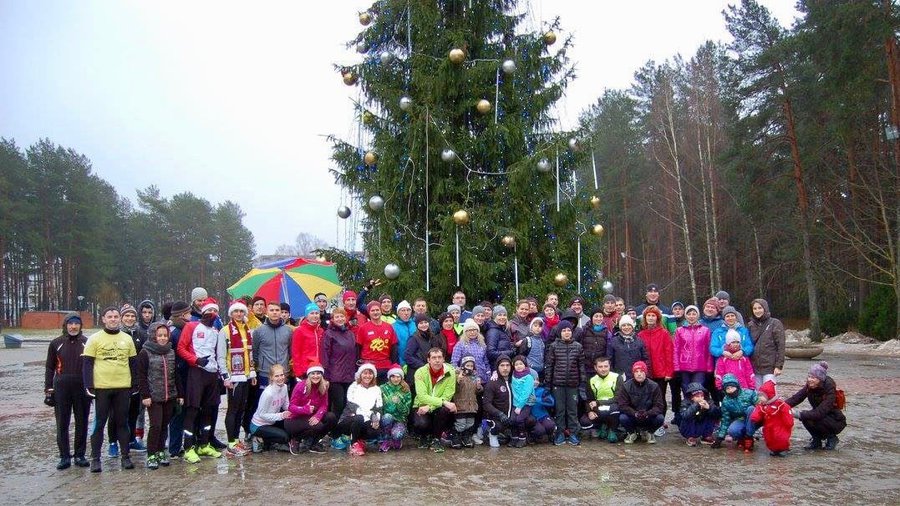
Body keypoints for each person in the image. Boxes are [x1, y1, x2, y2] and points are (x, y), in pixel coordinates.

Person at [83, 306, 137, 472]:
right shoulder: (95, 339)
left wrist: (135, 384)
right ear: (104, 319)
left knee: (122, 423)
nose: (113, 319)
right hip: (102, 388)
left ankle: (125, 456)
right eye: (110, 317)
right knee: (99, 423)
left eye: (115, 317)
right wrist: (88, 385)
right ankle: (95, 459)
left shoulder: (127, 339)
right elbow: (87, 363)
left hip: (122, 387)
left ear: (119, 319)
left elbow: (133, 363)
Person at [176, 298, 226, 463]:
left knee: (208, 410)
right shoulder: (191, 326)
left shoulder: (216, 331)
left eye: (216, 312)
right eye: (210, 311)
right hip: (196, 372)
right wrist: (195, 360)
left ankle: (204, 444)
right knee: (192, 410)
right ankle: (189, 447)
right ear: (204, 312)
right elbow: (181, 348)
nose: (213, 314)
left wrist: (222, 373)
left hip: (212, 374)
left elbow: (219, 354)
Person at [45, 313, 90, 469]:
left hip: (82, 387)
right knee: (62, 423)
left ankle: (80, 455)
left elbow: (92, 367)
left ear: (80, 326)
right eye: (70, 324)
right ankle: (64, 456)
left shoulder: (87, 343)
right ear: (65, 325)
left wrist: (92, 387)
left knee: (82, 421)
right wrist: (48, 389)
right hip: (61, 387)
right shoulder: (56, 343)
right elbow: (50, 367)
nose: (73, 326)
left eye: (76, 324)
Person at [137, 322, 183, 469]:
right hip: (153, 396)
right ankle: (151, 454)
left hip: (169, 395)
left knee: (164, 425)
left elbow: (176, 375)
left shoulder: (170, 352)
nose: (162, 338)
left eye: (165, 335)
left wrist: (180, 394)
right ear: (153, 336)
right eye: (159, 335)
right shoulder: (145, 352)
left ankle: (160, 451)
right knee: (155, 425)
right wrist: (145, 395)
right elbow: (141, 375)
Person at [220, 301, 256, 457]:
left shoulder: (248, 330)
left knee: (241, 409)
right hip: (233, 376)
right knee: (233, 410)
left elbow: (250, 354)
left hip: (246, 375)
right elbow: (221, 355)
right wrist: (225, 376)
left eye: (242, 312)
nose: (239, 314)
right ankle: (231, 443)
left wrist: (252, 373)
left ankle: (236, 438)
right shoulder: (226, 331)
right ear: (231, 314)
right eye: (236, 312)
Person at [786, 361, 846, 450]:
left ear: (820, 379)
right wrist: (780, 406)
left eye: (813, 377)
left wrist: (797, 414)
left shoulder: (829, 389)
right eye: (809, 376)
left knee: (808, 415)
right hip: (820, 416)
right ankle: (816, 440)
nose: (810, 379)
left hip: (834, 420)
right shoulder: (809, 386)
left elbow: (820, 412)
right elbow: (797, 398)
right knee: (807, 417)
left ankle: (832, 438)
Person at [545, 321, 585, 446]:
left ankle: (573, 433)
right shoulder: (554, 346)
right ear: (559, 332)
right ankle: (560, 433)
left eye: (569, 330)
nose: (567, 333)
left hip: (573, 384)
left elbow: (581, 367)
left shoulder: (578, 346)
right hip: (558, 384)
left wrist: (582, 383)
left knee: (572, 411)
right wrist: (548, 384)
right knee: (560, 410)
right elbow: (550, 366)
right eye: (564, 330)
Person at [637, 305, 674, 436]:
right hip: (646, 373)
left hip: (661, 372)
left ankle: (660, 423)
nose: (651, 318)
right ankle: (646, 423)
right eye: (649, 316)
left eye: (653, 316)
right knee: (646, 399)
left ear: (657, 318)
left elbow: (669, 353)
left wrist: (669, 372)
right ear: (645, 318)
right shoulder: (641, 334)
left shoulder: (664, 333)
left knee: (660, 399)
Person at [412, 348, 457, 453]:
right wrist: (443, 402)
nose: (437, 360)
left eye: (439, 357)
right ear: (428, 360)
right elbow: (422, 396)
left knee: (445, 410)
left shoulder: (450, 372)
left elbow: (448, 395)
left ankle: (436, 439)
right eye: (434, 358)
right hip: (421, 405)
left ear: (444, 359)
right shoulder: (420, 372)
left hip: (436, 408)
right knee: (421, 423)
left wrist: (431, 407)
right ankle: (424, 436)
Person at [285, 364, 336, 454]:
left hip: (311, 416)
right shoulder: (300, 386)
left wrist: (318, 415)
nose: (315, 376)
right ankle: (296, 439)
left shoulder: (323, 386)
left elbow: (324, 405)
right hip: (294, 419)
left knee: (331, 417)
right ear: (309, 375)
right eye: (313, 373)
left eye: (318, 373)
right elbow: (291, 407)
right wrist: (305, 409)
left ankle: (314, 443)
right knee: (318, 425)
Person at [118, 304, 148, 453]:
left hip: (136, 379)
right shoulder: (117, 333)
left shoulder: (140, 334)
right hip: (119, 378)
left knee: (134, 412)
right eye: (126, 316)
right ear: (122, 318)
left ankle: (131, 440)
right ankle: (116, 443)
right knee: (119, 412)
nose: (130, 319)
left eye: (132, 316)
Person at [337, 363, 383, 456]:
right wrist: (371, 415)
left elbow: (379, 408)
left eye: (370, 373)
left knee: (375, 431)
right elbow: (353, 407)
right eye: (365, 373)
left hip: (367, 419)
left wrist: (376, 419)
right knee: (359, 418)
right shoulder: (353, 387)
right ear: (360, 375)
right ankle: (353, 444)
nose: (367, 376)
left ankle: (360, 440)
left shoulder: (377, 389)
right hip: (350, 419)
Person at [166, 301, 192, 460]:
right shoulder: (175, 332)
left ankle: (178, 445)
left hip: (185, 375)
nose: (190, 316)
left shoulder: (183, 329)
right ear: (183, 315)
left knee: (182, 413)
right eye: (188, 313)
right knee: (178, 413)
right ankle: (174, 447)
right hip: (179, 377)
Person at [617, 361, 665, 444]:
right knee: (622, 417)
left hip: (648, 416)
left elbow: (659, 406)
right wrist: (634, 413)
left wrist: (648, 413)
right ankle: (631, 433)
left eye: (642, 371)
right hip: (633, 416)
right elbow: (622, 405)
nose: (639, 374)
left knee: (660, 418)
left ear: (645, 372)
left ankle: (650, 432)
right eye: (636, 371)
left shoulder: (654, 386)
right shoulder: (626, 386)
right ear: (633, 373)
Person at [322, 308, 357, 422]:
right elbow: (325, 354)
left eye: (342, 316)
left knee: (348, 403)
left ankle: (343, 428)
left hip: (349, 374)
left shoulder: (350, 333)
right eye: (337, 317)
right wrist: (325, 376)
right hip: (335, 375)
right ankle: (334, 429)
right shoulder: (329, 334)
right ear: (332, 319)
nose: (340, 319)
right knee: (338, 403)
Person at [249, 364, 292, 452]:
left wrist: (296, 409)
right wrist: (281, 415)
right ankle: (258, 438)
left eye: (282, 375)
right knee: (285, 437)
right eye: (277, 376)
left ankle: (269, 440)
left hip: (272, 421)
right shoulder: (268, 393)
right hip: (258, 425)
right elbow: (262, 415)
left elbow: (286, 405)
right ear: (271, 377)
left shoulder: (284, 387)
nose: (280, 378)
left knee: (292, 430)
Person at [711, 373, 758, 452]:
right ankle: (742, 437)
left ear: (737, 386)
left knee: (751, 408)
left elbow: (760, 407)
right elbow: (725, 419)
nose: (730, 390)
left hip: (755, 418)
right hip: (741, 419)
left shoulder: (750, 393)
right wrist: (720, 437)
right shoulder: (726, 401)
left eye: (732, 387)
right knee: (732, 430)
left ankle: (749, 437)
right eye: (727, 388)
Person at [580, 356, 622, 444]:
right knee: (585, 422)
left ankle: (612, 430)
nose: (603, 369)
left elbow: (618, 398)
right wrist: (589, 411)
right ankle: (602, 426)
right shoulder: (591, 380)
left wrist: (599, 402)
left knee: (615, 410)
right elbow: (589, 399)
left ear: (609, 366)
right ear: (595, 368)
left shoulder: (617, 377)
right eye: (600, 367)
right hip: (598, 407)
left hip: (613, 405)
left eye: (606, 366)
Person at [674, 305, 713, 397]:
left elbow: (708, 350)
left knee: (698, 391)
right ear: (686, 316)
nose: (691, 316)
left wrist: (709, 367)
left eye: (694, 314)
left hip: (700, 366)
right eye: (689, 314)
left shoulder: (705, 330)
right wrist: (676, 366)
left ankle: (699, 410)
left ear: (697, 315)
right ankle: (687, 409)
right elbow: (676, 349)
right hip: (684, 365)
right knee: (686, 390)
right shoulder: (679, 331)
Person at [252, 301, 293, 388]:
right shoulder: (259, 331)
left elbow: (290, 350)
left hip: (283, 372)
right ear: (267, 312)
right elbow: (255, 351)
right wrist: (260, 365)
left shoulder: (288, 330)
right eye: (272, 310)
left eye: (277, 310)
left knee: (283, 400)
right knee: (266, 399)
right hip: (265, 373)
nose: (274, 312)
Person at [356, 301, 399, 382]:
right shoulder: (363, 328)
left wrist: (394, 366)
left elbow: (394, 348)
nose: (375, 312)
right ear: (369, 312)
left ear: (381, 311)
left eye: (377, 310)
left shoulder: (389, 327)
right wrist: (358, 366)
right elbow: (358, 348)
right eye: (372, 310)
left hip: (385, 366)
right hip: (368, 367)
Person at [747, 298, 785, 387]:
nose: (757, 311)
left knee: (769, 394)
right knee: (758, 396)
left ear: (765, 308)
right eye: (755, 308)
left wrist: (779, 366)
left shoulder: (775, 323)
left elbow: (781, 346)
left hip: (769, 367)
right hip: (755, 367)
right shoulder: (750, 325)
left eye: (760, 308)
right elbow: (748, 345)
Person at [405, 313, 447, 393]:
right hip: (416, 373)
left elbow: (436, 352)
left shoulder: (432, 337)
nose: (424, 325)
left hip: (430, 373)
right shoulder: (414, 338)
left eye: (425, 322)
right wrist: (423, 366)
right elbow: (408, 356)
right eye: (421, 323)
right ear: (417, 325)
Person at [750, 380, 794, 456]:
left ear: (769, 395)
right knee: (769, 438)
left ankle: (783, 449)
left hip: (780, 426)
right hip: (768, 426)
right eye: (759, 396)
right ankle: (774, 449)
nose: (759, 398)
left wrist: (789, 423)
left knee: (780, 437)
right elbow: (758, 412)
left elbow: (787, 413)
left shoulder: (780, 405)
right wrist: (754, 417)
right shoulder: (762, 405)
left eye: (762, 396)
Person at [482, 356, 514, 448]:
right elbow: (486, 404)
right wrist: (499, 414)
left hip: (510, 415)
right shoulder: (492, 383)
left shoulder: (515, 380)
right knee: (498, 426)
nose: (505, 368)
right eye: (502, 365)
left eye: (507, 365)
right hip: (496, 417)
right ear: (497, 367)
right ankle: (491, 434)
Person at [450, 356, 481, 448]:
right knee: (461, 424)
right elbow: (454, 389)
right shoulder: (457, 376)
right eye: (467, 365)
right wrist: (458, 381)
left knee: (470, 423)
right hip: (460, 405)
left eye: (471, 366)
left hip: (472, 406)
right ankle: (455, 437)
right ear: (463, 366)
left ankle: (466, 437)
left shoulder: (474, 377)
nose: (470, 368)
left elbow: (477, 391)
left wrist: (479, 387)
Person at [379, 364, 412, 452]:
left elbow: (406, 411)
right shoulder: (382, 388)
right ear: (389, 377)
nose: (396, 379)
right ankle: (386, 439)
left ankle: (396, 440)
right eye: (393, 376)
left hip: (400, 420)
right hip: (386, 419)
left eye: (398, 377)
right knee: (387, 417)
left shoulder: (406, 390)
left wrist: (399, 403)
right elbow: (379, 406)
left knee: (397, 434)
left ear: (401, 377)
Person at [450, 319, 491, 384]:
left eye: (474, 330)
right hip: (467, 379)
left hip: (483, 378)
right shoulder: (460, 344)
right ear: (465, 332)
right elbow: (454, 363)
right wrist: (461, 372)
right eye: (469, 330)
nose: (472, 332)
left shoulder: (482, 344)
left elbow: (486, 362)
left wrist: (488, 374)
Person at [508, 355, 537, 448]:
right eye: (516, 364)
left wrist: (520, 406)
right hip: (515, 402)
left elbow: (526, 393)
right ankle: (514, 437)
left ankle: (522, 437)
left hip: (526, 403)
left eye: (521, 364)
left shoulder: (528, 377)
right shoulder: (513, 375)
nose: (519, 366)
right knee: (512, 419)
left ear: (525, 365)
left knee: (519, 419)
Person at [291, 302, 325, 379]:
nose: (315, 315)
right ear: (306, 316)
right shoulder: (299, 331)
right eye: (312, 313)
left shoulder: (321, 331)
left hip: (318, 368)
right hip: (305, 369)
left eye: (317, 313)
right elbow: (296, 352)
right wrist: (298, 372)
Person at [580, 308, 609, 382]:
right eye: (596, 316)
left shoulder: (606, 332)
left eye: (600, 316)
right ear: (592, 317)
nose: (598, 318)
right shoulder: (585, 330)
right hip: (586, 367)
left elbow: (608, 350)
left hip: (600, 368)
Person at [392, 300, 416, 365]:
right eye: (403, 310)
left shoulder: (416, 325)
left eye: (408, 310)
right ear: (398, 313)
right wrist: (401, 363)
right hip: (400, 363)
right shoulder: (393, 327)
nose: (406, 313)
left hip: (416, 362)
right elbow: (394, 348)